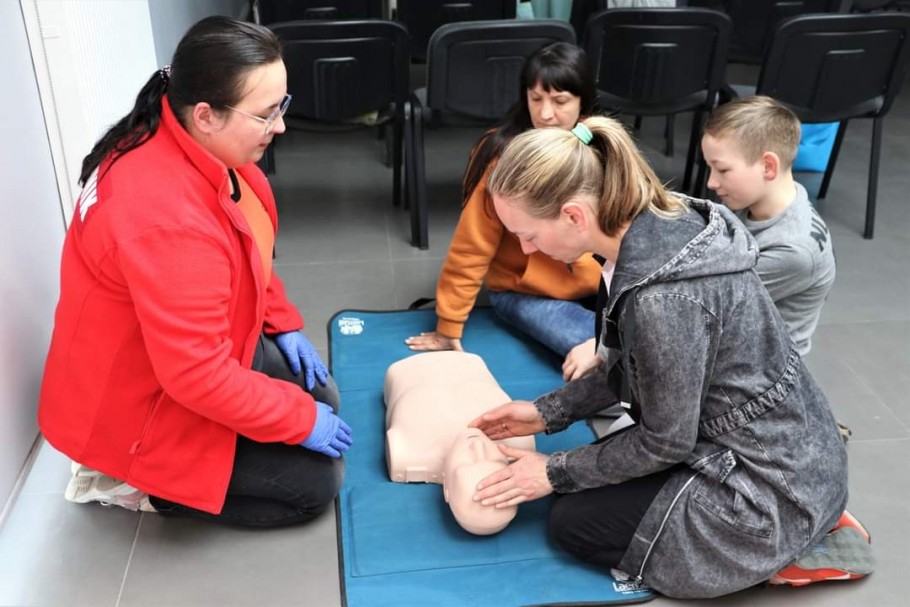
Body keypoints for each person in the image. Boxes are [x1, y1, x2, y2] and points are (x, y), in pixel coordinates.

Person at [466, 117, 863, 598]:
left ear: (573, 215)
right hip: (798, 453)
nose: (526, 248)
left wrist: (552, 472)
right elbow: (634, 370)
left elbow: (665, 443)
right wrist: (545, 412)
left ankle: (787, 550)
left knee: (572, 522)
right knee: (600, 469)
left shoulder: (663, 301)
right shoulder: (657, 224)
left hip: (768, 491)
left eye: (528, 234)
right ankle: (807, 513)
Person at [38, 16, 352, 526]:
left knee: (322, 396)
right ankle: (131, 484)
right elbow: (197, 376)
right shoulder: (165, 220)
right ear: (206, 114)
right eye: (267, 113)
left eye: (282, 105)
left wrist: (281, 319)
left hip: (179, 350)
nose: (281, 126)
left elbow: (246, 242)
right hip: (137, 404)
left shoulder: (193, 140)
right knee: (313, 485)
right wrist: (296, 420)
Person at [405, 42, 603, 382]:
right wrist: (448, 325)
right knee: (603, 355)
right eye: (535, 98)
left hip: (599, 282)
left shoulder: (600, 142)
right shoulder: (502, 156)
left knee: (645, 338)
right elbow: (472, 245)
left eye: (560, 101)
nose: (544, 114)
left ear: (583, 102)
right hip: (525, 292)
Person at [701, 96, 836, 357]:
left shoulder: (794, 250)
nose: (711, 183)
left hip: (759, 373)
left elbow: (707, 299)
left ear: (768, 166)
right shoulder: (750, 200)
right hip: (734, 337)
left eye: (722, 170)